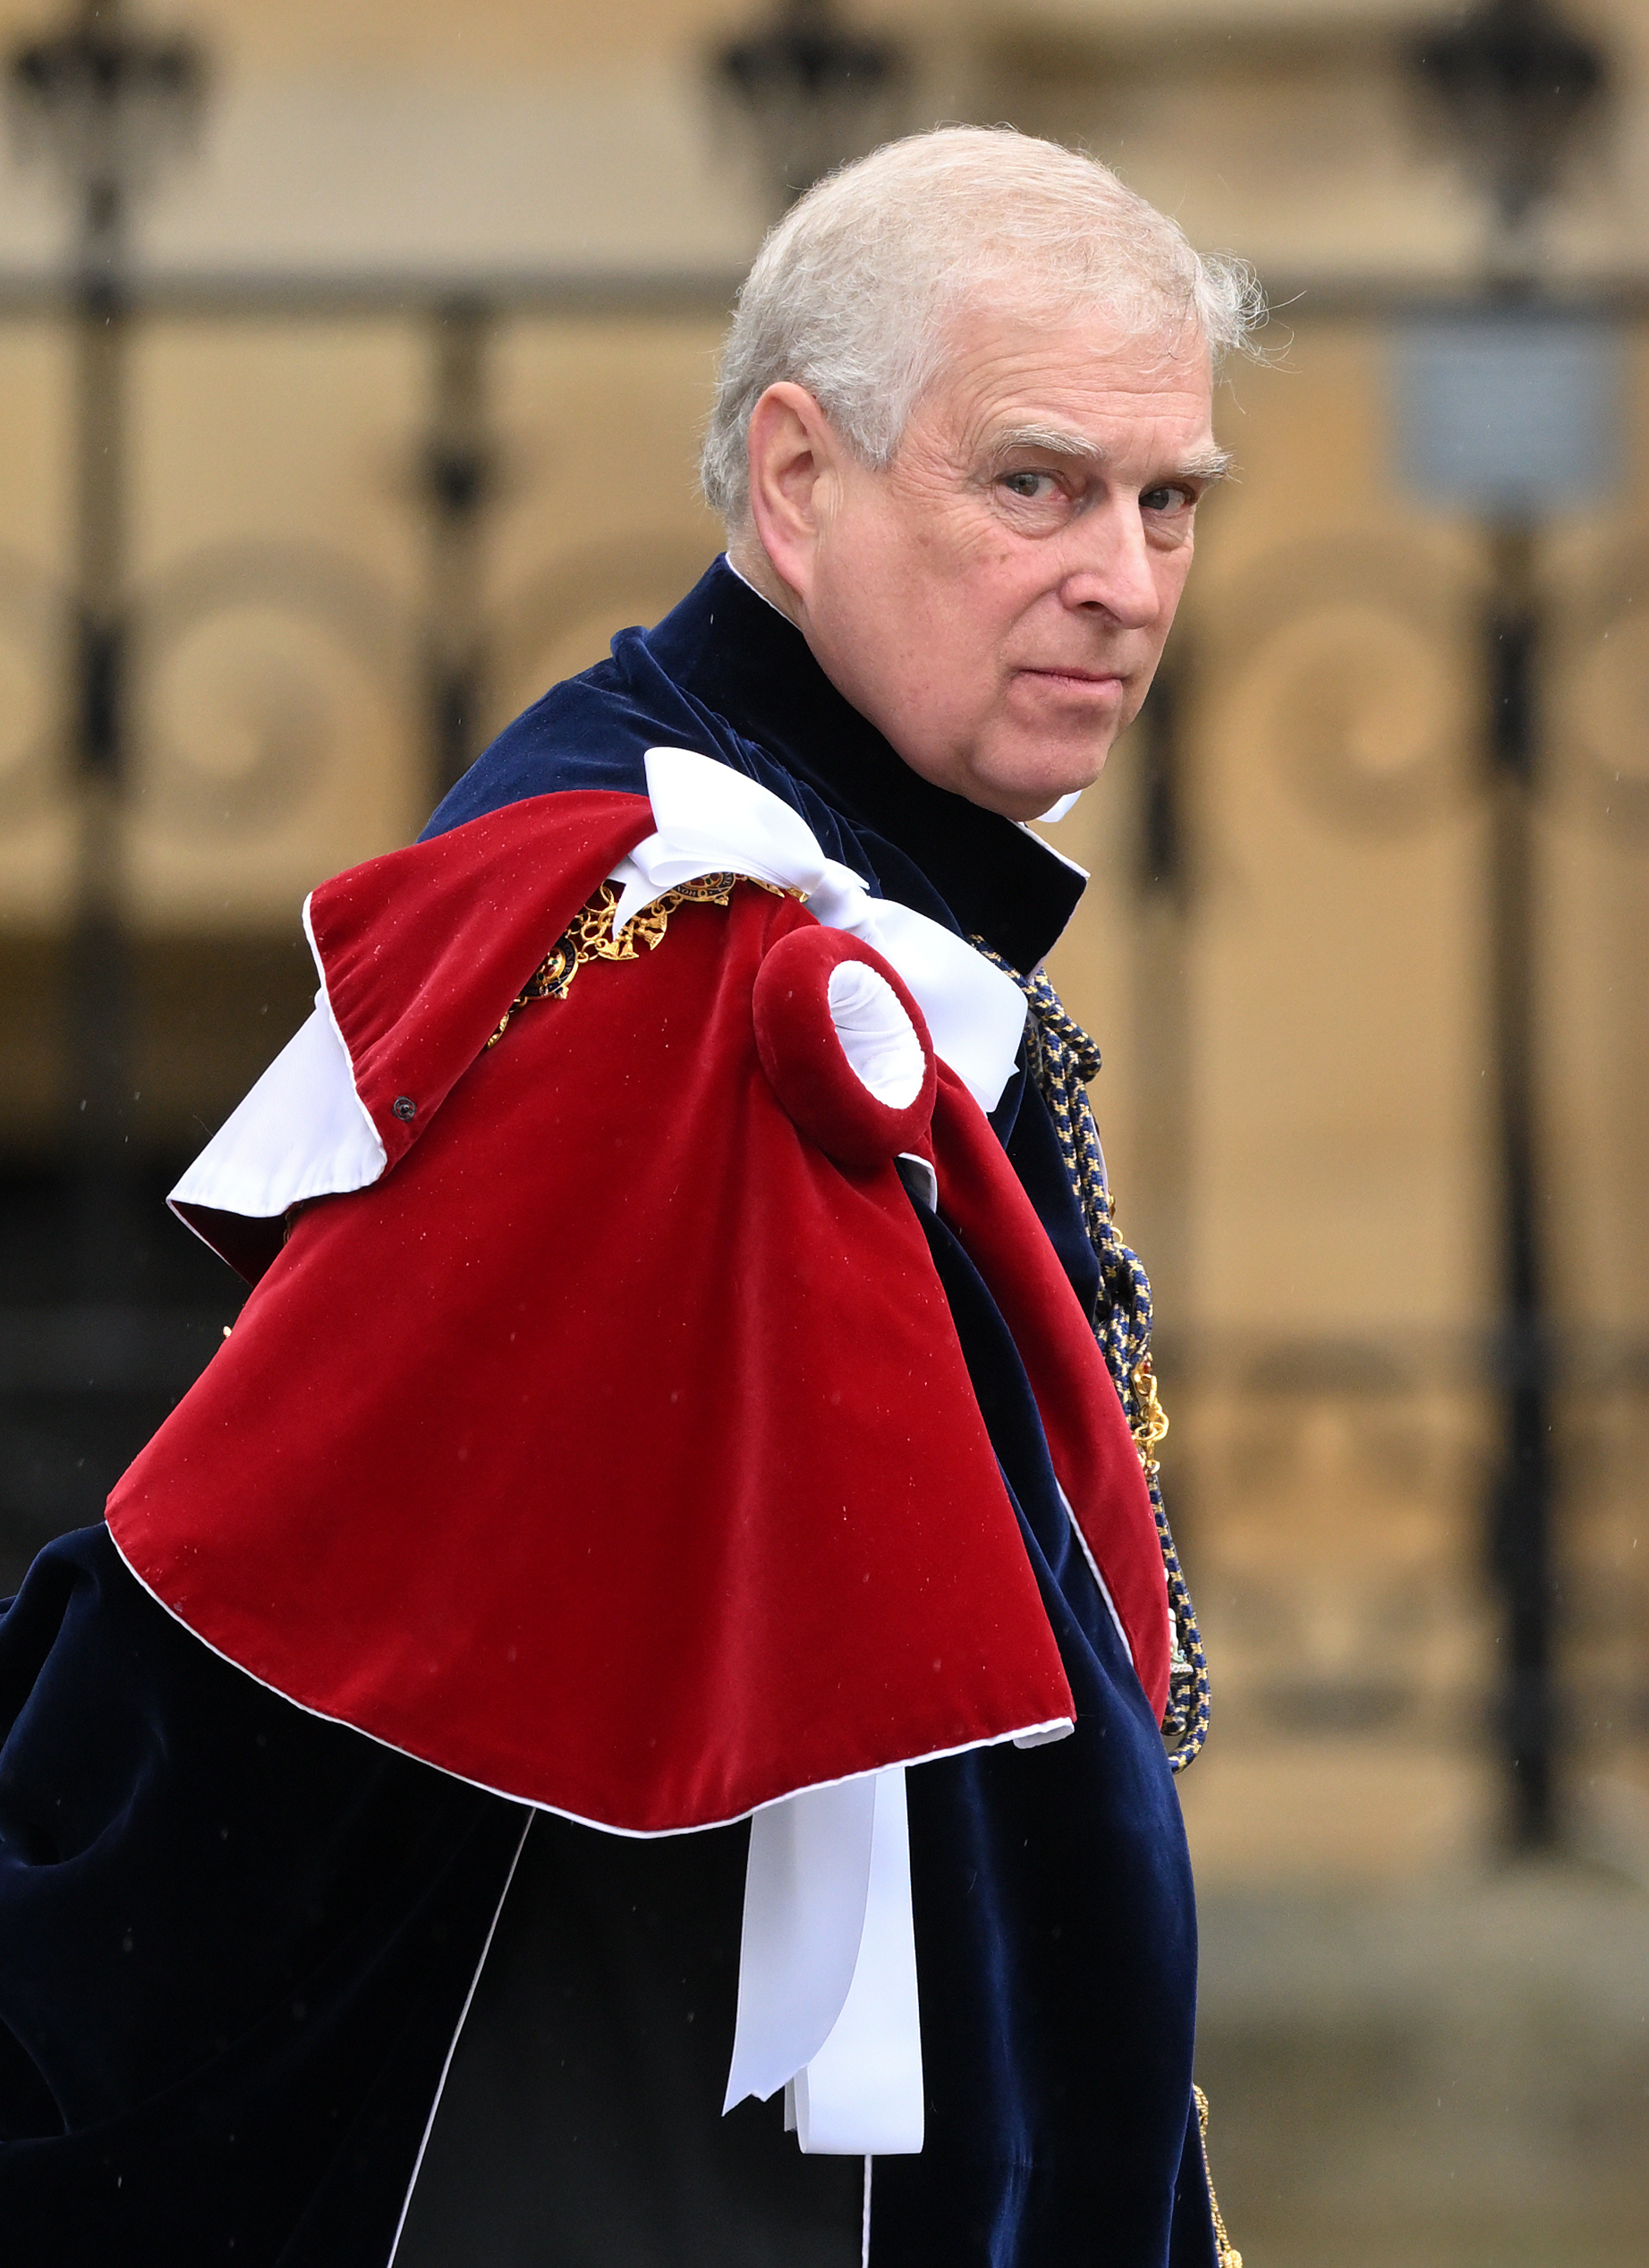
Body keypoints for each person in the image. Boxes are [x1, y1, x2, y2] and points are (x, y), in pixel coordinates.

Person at [0, 126, 1258, 2265]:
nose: (1123, 580)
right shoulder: (667, 938)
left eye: (1170, 502)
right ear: (795, 480)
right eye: (1034, 484)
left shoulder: (875, 892)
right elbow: (242, 1669)